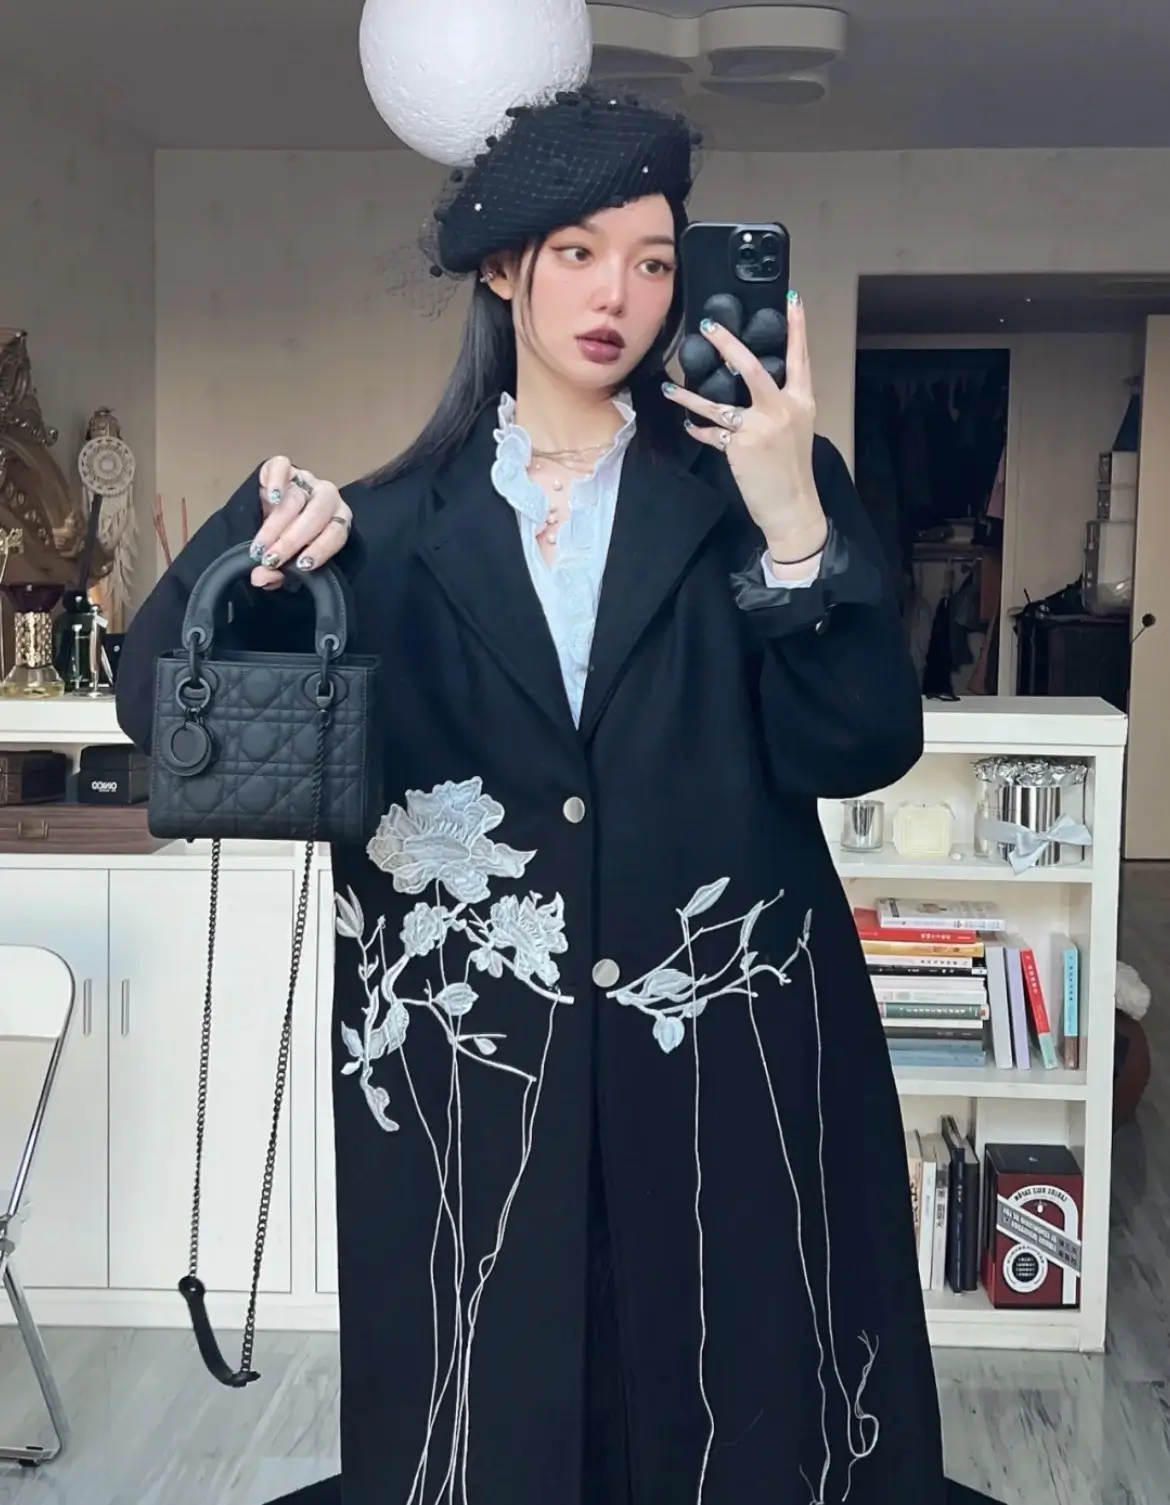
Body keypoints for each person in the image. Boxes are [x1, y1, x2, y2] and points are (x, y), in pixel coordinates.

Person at [116, 91, 996, 1505]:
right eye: (579, 253)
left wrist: (790, 515)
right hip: (481, 1054)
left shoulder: (762, 489)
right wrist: (253, 536)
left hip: (723, 1032)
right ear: (501, 269)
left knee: (734, 1374)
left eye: (653, 262)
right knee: (495, 1387)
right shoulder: (383, 530)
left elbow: (861, 745)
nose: (618, 297)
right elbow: (154, 703)